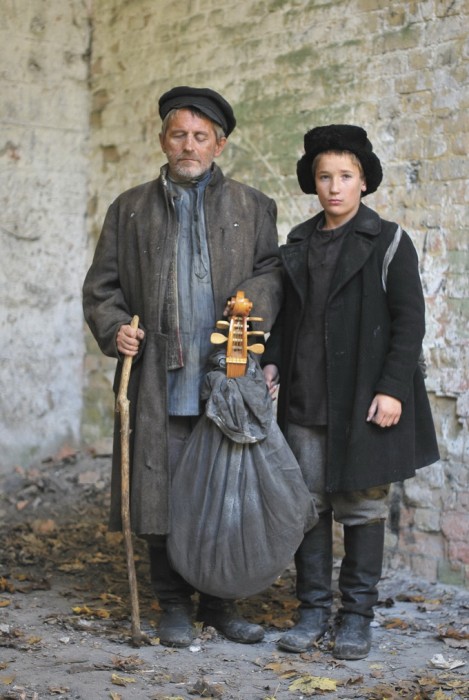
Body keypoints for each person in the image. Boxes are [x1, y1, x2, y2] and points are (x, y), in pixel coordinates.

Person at [83, 86, 283, 647]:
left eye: (200, 136)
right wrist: (115, 327)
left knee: (223, 492)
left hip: (225, 378)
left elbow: (272, 272)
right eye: (179, 135)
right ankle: (172, 604)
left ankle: (219, 604)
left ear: (220, 144)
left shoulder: (252, 206)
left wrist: (251, 302)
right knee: (161, 492)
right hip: (160, 379)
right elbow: (102, 288)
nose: (188, 146)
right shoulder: (129, 209)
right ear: (162, 140)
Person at [262, 124, 439, 660]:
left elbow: (409, 322)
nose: (334, 187)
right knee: (307, 507)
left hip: (363, 401)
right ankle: (313, 610)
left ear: (363, 181)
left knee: (362, 507)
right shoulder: (297, 243)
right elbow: (286, 319)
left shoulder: (388, 242)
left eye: (345, 176)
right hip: (305, 400)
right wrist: (272, 363)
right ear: (313, 183)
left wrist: (393, 389)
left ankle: (357, 617)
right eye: (325, 177)